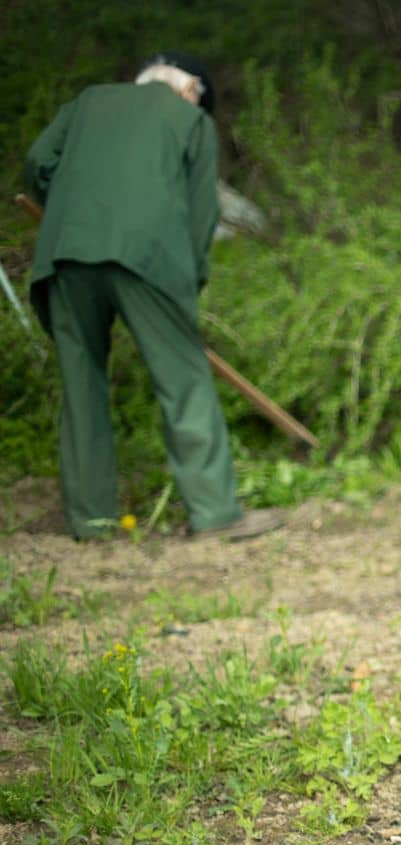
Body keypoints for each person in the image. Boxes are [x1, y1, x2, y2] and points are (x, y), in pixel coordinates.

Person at [22, 52, 282, 542]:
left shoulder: (88, 102)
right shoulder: (190, 122)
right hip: (146, 255)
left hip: (66, 251)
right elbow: (201, 213)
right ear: (189, 92)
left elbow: (38, 163)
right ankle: (214, 513)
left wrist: (72, 203)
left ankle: (91, 521)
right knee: (182, 379)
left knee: (81, 385)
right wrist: (191, 283)